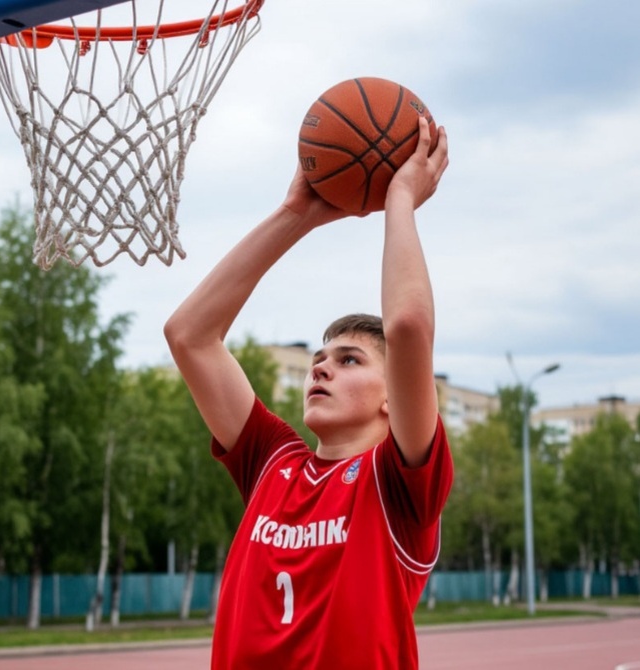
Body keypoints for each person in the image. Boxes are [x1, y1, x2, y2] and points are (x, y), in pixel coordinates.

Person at [163, 116, 453, 669]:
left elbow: (409, 325)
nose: (321, 369)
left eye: (349, 360)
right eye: (319, 359)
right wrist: (295, 216)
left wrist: (400, 199)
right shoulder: (273, 464)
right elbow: (189, 336)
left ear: (394, 395)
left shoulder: (399, 482)